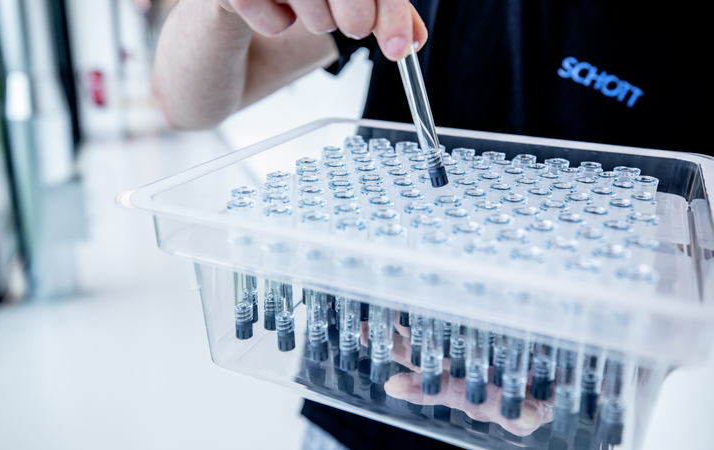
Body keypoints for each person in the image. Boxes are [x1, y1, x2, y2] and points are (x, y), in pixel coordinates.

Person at [152, 2, 707, 449]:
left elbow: (695, 277)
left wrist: (612, 362)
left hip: (559, 418)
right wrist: (215, 8)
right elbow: (183, 106)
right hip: (358, 390)